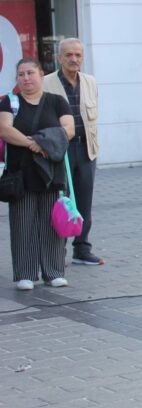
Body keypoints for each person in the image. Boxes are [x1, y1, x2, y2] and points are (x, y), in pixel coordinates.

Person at [0, 58, 75, 290]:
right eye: (21, 74)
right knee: (22, 224)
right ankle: (26, 274)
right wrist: (33, 144)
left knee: (52, 223)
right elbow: (4, 129)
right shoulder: (9, 102)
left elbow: (69, 129)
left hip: (52, 173)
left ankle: (54, 272)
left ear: (41, 75)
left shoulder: (56, 101)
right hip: (20, 174)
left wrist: (41, 143)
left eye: (30, 73)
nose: (26, 78)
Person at [43, 38, 102, 265]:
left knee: (84, 200)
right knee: (61, 201)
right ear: (59, 58)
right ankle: (57, 251)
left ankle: (82, 247)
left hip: (86, 149)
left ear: (83, 58)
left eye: (78, 55)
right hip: (60, 151)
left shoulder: (90, 82)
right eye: (68, 55)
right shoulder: (46, 83)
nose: (73, 59)